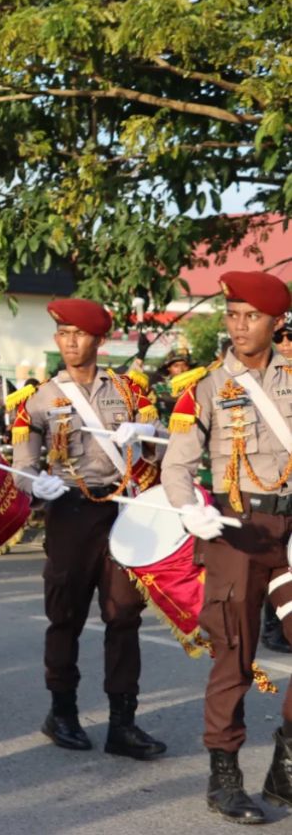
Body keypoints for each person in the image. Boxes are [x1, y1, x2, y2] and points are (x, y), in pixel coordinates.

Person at [9, 298, 167, 762]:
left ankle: (123, 723)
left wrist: (147, 434)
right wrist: (34, 483)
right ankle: (62, 712)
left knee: (124, 614)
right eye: (63, 334)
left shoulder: (129, 391)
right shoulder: (38, 398)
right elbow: (22, 466)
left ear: (99, 339)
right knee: (66, 614)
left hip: (122, 511)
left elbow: (163, 448)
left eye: (78, 334)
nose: (70, 342)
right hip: (70, 512)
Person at [162, 271, 292, 824]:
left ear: (276, 322)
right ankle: (224, 776)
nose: (239, 326)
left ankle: (286, 763)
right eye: (232, 315)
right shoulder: (205, 387)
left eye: (251, 317)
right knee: (234, 655)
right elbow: (176, 465)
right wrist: (188, 509)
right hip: (235, 531)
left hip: (289, 530)